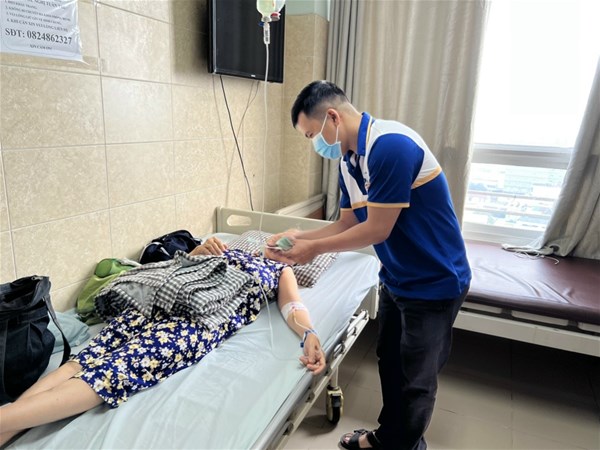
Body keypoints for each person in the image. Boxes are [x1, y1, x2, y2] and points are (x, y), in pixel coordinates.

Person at [268, 80, 471, 450]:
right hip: (396, 277)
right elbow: (347, 223)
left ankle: (405, 446)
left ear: (332, 117)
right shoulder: (348, 161)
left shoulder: (390, 146)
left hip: (434, 281)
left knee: (416, 379)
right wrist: (301, 238)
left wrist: (313, 250)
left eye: (313, 135)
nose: (316, 145)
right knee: (390, 362)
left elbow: (377, 229)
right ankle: (386, 438)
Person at [0, 237, 325, 447]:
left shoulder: (280, 272)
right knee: (83, 360)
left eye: (291, 244)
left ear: (297, 258)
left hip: (196, 323)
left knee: (114, 371)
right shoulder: (227, 249)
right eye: (279, 238)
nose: (281, 244)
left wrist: (308, 333)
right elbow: (171, 269)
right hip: (156, 303)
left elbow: (293, 306)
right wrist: (197, 253)